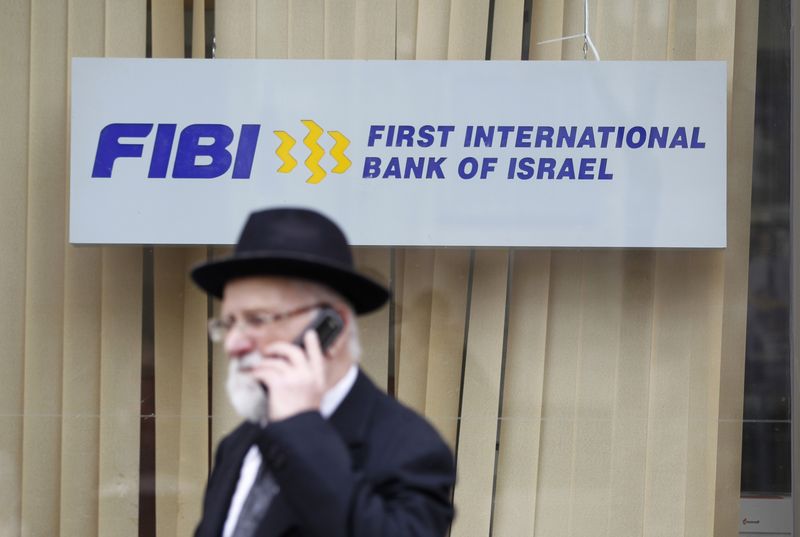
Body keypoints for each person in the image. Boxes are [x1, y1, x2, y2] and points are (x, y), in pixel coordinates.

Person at [191, 207, 455, 537]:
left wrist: (302, 430)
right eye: (229, 323)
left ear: (332, 327)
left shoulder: (410, 448)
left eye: (257, 319)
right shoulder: (237, 443)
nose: (234, 343)